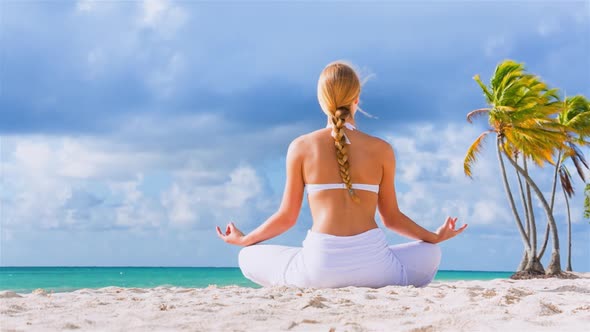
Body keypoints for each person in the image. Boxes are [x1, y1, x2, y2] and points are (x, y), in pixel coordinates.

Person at [216, 60, 467, 288]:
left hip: (317, 269)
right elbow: (391, 218)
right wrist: (434, 236)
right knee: (432, 252)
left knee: (246, 255)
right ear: (357, 98)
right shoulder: (382, 149)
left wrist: (245, 238)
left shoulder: (301, 147)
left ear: (321, 101)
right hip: (377, 269)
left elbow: (287, 217)